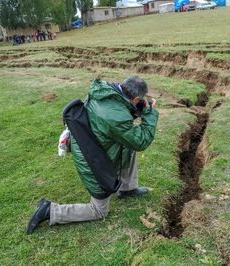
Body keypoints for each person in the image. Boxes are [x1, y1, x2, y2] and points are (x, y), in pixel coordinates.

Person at [26, 76, 159, 234]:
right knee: (99, 211)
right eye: (139, 101)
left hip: (89, 145)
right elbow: (140, 141)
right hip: (92, 161)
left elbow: (118, 116)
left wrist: (135, 110)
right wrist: (150, 114)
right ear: (136, 98)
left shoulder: (105, 92)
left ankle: (127, 188)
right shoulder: (114, 116)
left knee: (127, 146)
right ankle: (51, 211)